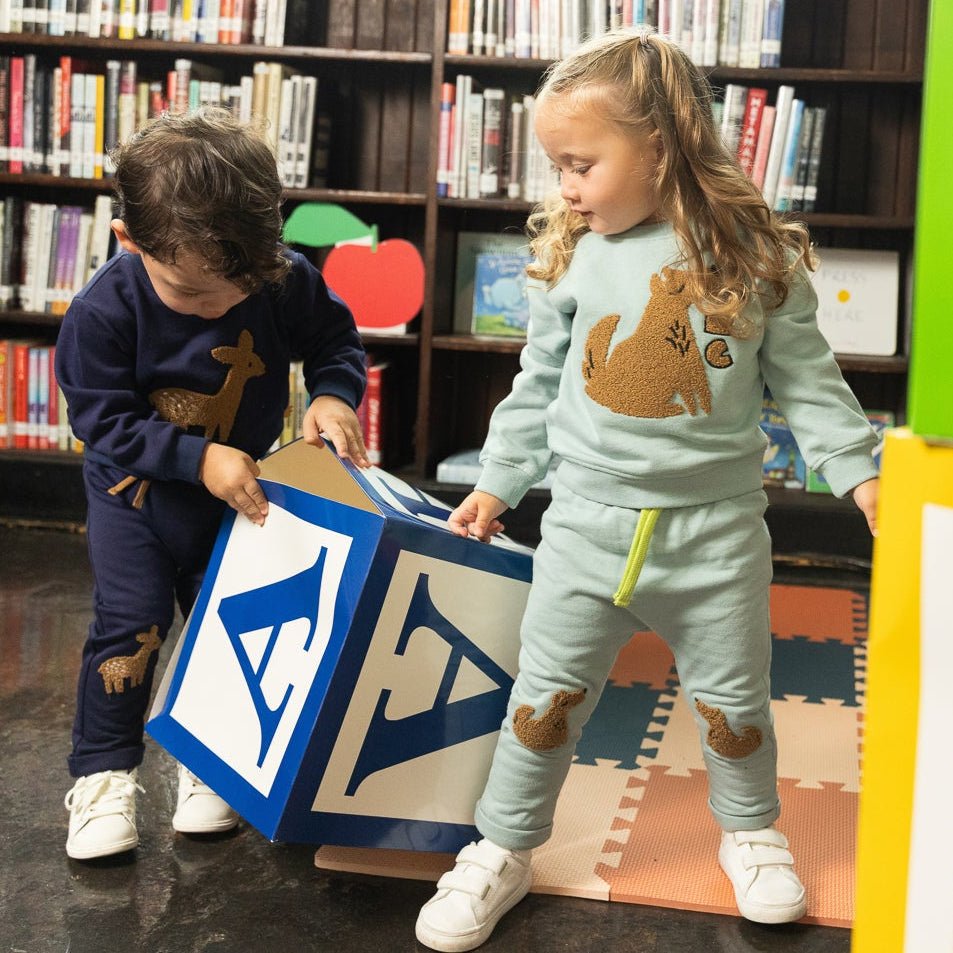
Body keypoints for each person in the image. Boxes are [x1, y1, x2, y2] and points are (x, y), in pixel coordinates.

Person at [415, 29, 879, 952]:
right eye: (559, 167)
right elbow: (537, 385)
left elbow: (810, 384)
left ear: (660, 144)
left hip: (716, 539)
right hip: (582, 531)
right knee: (542, 701)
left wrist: (862, 478)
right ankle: (501, 847)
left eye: (580, 163)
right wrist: (499, 483)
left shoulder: (750, 256)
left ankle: (750, 833)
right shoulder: (576, 254)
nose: (566, 187)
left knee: (735, 701)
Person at [56, 108, 369, 861]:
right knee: (132, 624)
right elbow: (102, 420)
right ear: (128, 240)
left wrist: (332, 394)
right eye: (192, 296)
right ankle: (103, 778)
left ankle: (211, 763)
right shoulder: (103, 311)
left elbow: (333, 339)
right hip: (135, 497)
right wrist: (197, 459)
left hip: (240, 497)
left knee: (230, 625)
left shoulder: (277, 275)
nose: (219, 307)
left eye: (234, 292)